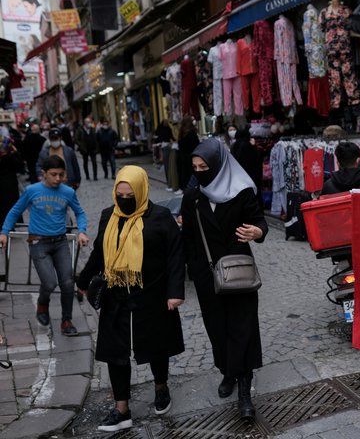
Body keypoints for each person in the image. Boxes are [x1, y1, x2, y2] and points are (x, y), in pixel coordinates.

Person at [76, 166, 185, 432]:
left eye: (129, 194)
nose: (124, 199)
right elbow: (100, 253)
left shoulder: (160, 217)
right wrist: (81, 281)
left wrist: (175, 293)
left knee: (156, 345)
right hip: (117, 294)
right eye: (119, 194)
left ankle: (161, 387)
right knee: (116, 352)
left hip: (153, 293)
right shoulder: (107, 216)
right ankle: (121, 409)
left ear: (141, 190)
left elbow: (175, 256)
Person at [181, 138, 268, 420]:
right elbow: (189, 238)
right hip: (208, 275)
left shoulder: (241, 191)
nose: (199, 172)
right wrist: (192, 270)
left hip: (239, 270)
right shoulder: (193, 195)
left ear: (218, 165)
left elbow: (259, 221)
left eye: (204, 167)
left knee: (243, 327)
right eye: (195, 167)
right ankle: (227, 372)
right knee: (217, 328)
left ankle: (245, 389)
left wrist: (257, 232)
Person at [0, 155, 89, 335]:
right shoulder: (32, 190)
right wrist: (4, 232)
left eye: (61, 175)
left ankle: (66, 321)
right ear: (44, 174)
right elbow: (15, 210)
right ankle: (42, 303)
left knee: (67, 282)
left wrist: (82, 230)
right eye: (53, 174)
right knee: (49, 282)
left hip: (60, 242)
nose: (58, 179)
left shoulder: (68, 192)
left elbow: (79, 212)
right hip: (38, 242)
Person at [231, 127, 262, 207]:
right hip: (250, 177)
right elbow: (255, 162)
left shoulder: (234, 146)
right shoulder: (248, 146)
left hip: (238, 178)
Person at [0, 133, 25, 227]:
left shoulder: (4, 158)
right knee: (12, 205)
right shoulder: (10, 158)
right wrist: (15, 152)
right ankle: (11, 224)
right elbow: (21, 167)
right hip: (10, 185)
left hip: (3, 185)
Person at [177, 116, 199, 194]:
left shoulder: (187, 133)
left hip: (187, 158)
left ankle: (187, 189)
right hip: (189, 157)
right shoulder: (190, 133)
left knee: (187, 174)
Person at [75, 117, 98, 181]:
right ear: (85, 123)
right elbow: (77, 139)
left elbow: (96, 138)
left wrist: (96, 147)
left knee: (94, 162)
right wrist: (80, 145)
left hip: (92, 148)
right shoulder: (80, 130)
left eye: (90, 122)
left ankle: (95, 176)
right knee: (85, 162)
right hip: (84, 149)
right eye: (88, 122)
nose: (89, 123)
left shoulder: (92, 129)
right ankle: (87, 175)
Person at [154, 120, 175, 190]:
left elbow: (171, 136)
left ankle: (170, 182)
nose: (166, 124)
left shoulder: (168, 129)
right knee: (166, 164)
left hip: (166, 146)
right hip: (162, 146)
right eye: (165, 123)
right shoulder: (160, 128)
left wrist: (175, 141)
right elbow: (157, 136)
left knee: (168, 165)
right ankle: (169, 182)